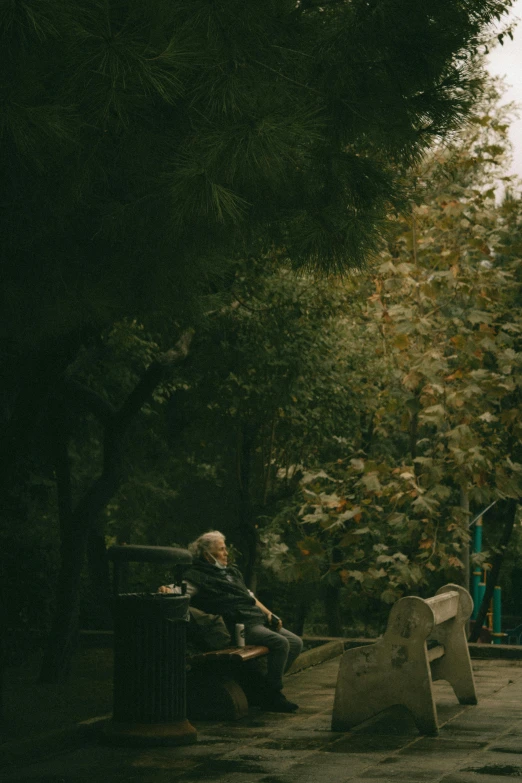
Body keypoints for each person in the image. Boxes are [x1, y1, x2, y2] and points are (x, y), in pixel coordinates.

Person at [159, 530, 302, 713]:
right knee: (280, 643)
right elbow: (182, 590)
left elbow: (250, 597)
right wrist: (167, 589)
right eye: (221, 549)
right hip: (240, 624)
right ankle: (273, 695)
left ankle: (262, 689)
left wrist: (270, 614)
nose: (226, 553)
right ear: (207, 555)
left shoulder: (231, 573)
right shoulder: (198, 575)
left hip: (256, 618)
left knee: (295, 643)